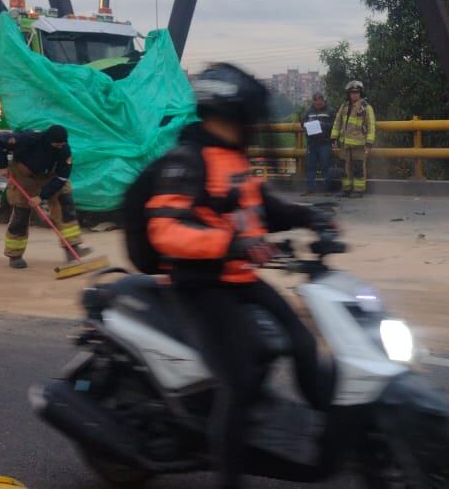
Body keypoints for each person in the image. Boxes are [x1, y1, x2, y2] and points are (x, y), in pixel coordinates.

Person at [143, 63, 335, 489]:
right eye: (248, 119)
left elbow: (261, 207)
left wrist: (310, 216)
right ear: (226, 116)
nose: (253, 127)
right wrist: (228, 244)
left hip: (239, 279)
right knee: (240, 381)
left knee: (303, 344)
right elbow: (165, 229)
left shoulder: (233, 159)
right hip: (200, 286)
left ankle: (336, 441)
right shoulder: (187, 160)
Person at [0, 124, 92, 269]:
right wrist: (2, 165)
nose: (60, 146)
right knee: (21, 214)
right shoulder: (27, 139)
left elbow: (62, 176)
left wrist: (42, 196)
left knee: (65, 205)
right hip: (24, 175)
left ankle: (72, 248)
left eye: (62, 144)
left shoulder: (64, 150)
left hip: (49, 176)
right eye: (57, 144)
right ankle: (14, 254)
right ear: (48, 140)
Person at [332, 80, 376, 198]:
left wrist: (369, 142)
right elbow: (337, 122)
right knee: (344, 168)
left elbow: (371, 125)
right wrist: (334, 137)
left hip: (359, 144)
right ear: (348, 94)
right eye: (352, 93)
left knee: (358, 167)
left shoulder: (366, 107)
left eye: (356, 92)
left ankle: (358, 190)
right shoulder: (344, 106)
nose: (354, 95)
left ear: (360, 93)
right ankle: (346, 189)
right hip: (344, 144)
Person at [299, 92, 335, 196]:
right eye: (316, 100)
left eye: (320, 100)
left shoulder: (330, 110)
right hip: (312, 143)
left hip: (325, 143)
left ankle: (328, 190)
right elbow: (303, 123)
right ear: (313, 101)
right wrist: (304, 124)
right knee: (310, 166)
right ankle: (310, 189)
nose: (318, 102)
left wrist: (323, 124)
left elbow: (335, 125)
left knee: (326, 166)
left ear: (323, 101)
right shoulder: (309, 111)